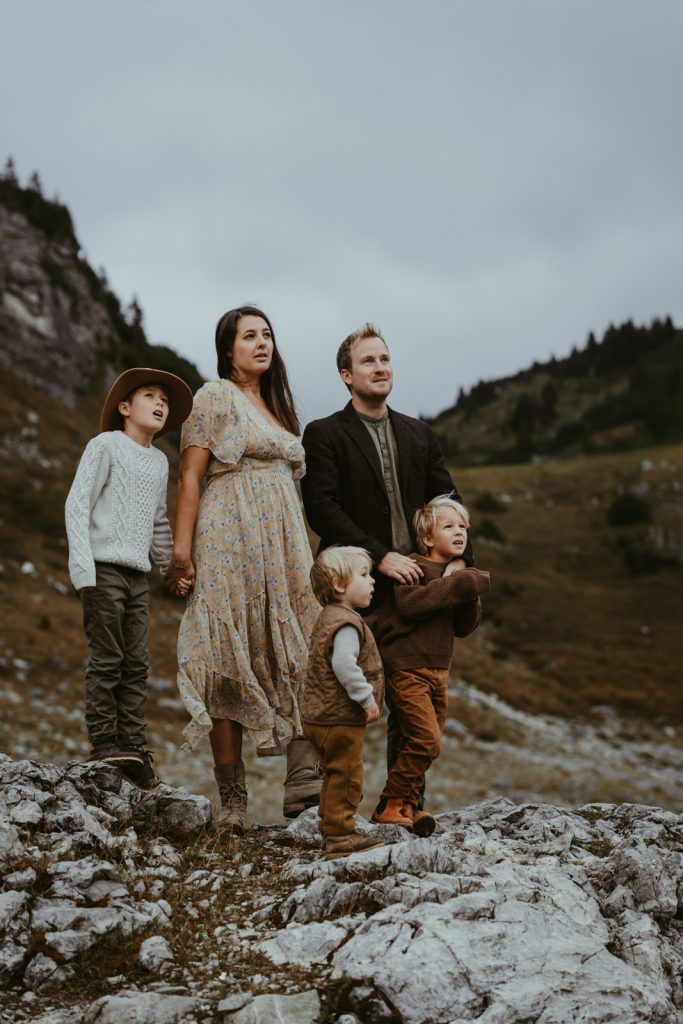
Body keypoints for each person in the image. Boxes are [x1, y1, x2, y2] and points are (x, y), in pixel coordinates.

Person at [166, 306, 322, 835]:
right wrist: (182, 552)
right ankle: (232, 799)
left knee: (299, 643)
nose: (261, 343)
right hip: (227, 531)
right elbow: (190, 476)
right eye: (249, 335)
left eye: (268, 334)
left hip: (282, 538)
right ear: (227, 348)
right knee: (224, 657)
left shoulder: (280, 408)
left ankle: (302, 783)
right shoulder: (213, 396)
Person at [300, 322, 473, 801]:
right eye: (368, 361)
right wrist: (382, 556)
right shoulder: (324, 434)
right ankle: (325, 804)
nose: (380, 367)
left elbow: (448, 498)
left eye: (385, 359)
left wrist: (460, 568)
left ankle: (402, 803)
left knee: (411, 700)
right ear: (346, 375)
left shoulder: (419, 433)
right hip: (353, 584)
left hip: (417, 588)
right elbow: (322, 508)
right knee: (342, 690)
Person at [65, 368, 194, 789]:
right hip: (103, 569)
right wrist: (82, 566)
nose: (160, 404)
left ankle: (133, 747)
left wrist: (171, 568)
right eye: (150, 396)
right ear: (125, 407)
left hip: (137, 576)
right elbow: (78, 503)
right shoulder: (105, 445)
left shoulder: (159, 461)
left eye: (165, 401)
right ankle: (104, 743)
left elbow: (158, 522)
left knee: (137, 662)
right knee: (108, 657)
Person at [373, 496, 490, 834]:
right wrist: (457, 582)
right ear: (427, 538)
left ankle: (408, 806)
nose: (459, 532)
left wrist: (466, 588)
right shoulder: (412, 567)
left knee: (424, 741)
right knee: (426, 739)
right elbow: (411, 603)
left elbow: (464, 627)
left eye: (463, 527)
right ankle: (390, 804)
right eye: (449, 526)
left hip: (439, 670)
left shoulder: (458, 576)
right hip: (406, 667)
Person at [301, 546, 385, 861]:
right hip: (338, 717)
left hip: (320, 715)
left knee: (335, 774)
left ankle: (332, 827)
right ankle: (339, 836)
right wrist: (366, 699)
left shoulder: (329, 617)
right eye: (364, 575)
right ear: (339, 585)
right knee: (348, 775)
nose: (372, 581)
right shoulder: (347, 624)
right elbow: (344, 666)